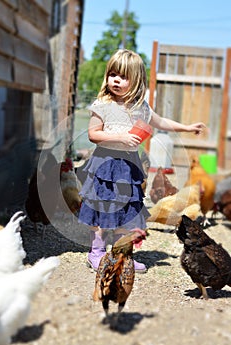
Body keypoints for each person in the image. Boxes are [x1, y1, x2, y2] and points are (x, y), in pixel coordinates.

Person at [78, 49, 206, 273]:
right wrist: (120, 136)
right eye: (113, 74)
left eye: (123, 76)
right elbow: (93, 134)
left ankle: (120, 256)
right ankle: (96, 254)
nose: (116, 80)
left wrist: (186, 127)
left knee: (126, 212)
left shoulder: (141, 108)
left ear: (136, 81)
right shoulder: (103, 105)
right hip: (105, 164)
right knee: (103, 210)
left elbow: (161, 121)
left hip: (128, 166)